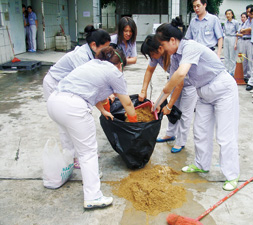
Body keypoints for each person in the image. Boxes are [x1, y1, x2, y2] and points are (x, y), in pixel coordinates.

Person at [47, 46, 137, 209]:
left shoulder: (91, 65)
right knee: (88, 152)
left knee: (74, 143)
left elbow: (90, 91)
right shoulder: (113, 71)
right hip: (73, 106)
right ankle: (93, 196)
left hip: (54, 102)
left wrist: (103, 110)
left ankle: (86, 176)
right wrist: (135, 123)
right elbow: (128, 103)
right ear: (119, 65)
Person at [153, 21, 240, 191]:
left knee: (224, 134)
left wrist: (164, 95)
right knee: (200, 131)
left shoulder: (190, 47)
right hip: (204, 93)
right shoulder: (176, 56)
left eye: (162, 45)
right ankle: (201, 164)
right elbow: (174, 83)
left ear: (172, 40)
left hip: (222, 89)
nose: (162, 50)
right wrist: (157, 104)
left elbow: (181, 74)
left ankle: (231, 174)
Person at [43, 25, 111, 169]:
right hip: (54, 84)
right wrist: (103, 103)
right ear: (94, 45)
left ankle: (84, 153)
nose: (107, 51)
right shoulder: (80, 57)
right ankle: (72, 157)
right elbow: (89, 85)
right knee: (66, 124)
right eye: (105, 48)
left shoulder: (92, 53)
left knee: (80, 121)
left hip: (67, 86)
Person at [139, 32, 197, 153]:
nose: (152, 57)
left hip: (188, 84)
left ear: (160, 48)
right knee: (173, 110)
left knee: (184, 113)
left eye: (152, 54)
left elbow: (179, 84)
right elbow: (149, 70)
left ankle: (181, 141)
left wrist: (169, 105)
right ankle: (170, 134)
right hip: (174, 83)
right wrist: (143, 90)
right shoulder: (157, 56)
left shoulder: (173, 55)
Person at [240, 4, 253, 88]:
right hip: (244, 40)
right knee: (244, 59)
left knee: (250, 61)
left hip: (250, 41)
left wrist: (245, 31)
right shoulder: (247, 21)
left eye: (250, 12)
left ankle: (251, 79)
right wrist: (245, 31)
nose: (248, 13)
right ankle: (245, 76)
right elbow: (241, 31)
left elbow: (250, 30)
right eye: (247, 11)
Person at [223, 9, 239, 76]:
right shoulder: (225, 23)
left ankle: (231, 71)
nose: (228, 15)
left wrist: (236, 43)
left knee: (232, 55)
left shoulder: (235, 22)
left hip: (232, 37)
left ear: (232, 14)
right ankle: (226, 69)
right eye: (227, 14)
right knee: (226, 55)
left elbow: (237, 32)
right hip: (226, 37)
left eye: (229, 14)